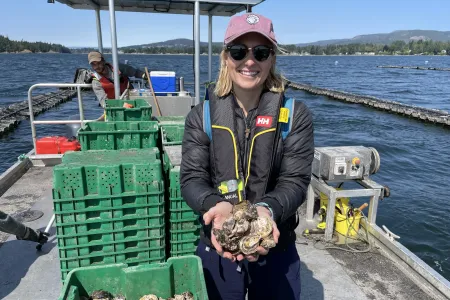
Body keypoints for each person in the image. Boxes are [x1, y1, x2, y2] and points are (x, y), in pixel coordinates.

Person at [180, 12, 314, 300]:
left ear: (272, 59)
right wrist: (215, 206)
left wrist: (266, 211)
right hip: (218, 242)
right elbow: (191, 178)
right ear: (226, 57)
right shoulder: (200, 116)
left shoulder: (295, 116)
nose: (250, 61)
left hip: (275, 246)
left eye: (261, 52)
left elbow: (296, 181)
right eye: (239, 51)